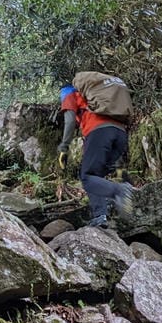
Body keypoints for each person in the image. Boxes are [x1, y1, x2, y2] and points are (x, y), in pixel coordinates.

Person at [57, 83, 134, 227]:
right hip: (120, 133)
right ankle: (102, 215)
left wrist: (64, 147)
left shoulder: (70, 93)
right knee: (96, 176)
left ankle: (120, 190)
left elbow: (70, 120)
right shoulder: (96, 97)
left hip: (99, 132)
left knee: (87, 177)